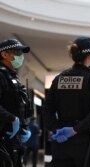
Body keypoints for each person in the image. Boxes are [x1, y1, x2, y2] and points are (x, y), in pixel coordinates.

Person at [44, 36, 90, 167]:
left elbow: (47, 108)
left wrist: (56, 129)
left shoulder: (59, 79)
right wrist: (75, 129)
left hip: (62, 142)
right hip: (86, 143)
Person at [0, 39, 32, 167]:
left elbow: (16, 105)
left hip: (14, 140)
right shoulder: (1, 75)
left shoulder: (12, 76)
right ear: (4, 54)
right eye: (17, 52)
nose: (21, 56)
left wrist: (24, 127)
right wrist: (12, 119)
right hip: (3, 138)